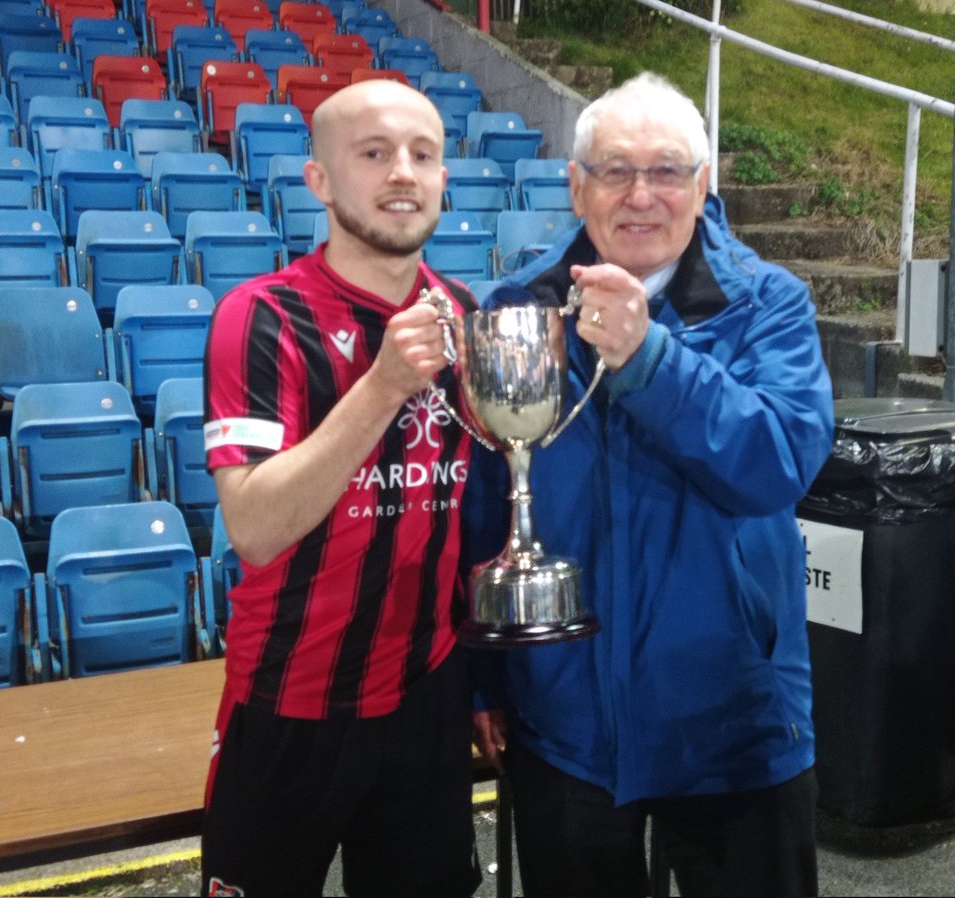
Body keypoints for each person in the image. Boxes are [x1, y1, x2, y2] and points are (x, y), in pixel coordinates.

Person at [466, 72, 834, 898]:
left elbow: (779, 463)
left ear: (704, 186)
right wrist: (486, 678)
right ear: (575, 184)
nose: (642, 195)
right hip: (564, 721)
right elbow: (490, 506)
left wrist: (650, 360)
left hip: (735, 717)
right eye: (614, 170)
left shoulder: (770, 303)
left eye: (667, 171)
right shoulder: (518, 307)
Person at [200, 79, 481, 897]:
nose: (403, 172)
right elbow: (254, 527)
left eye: (423, 155)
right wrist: (383, 384)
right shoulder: (261, 318)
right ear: (318, 179)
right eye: (373, 153)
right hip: (292, 700)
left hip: (427, 693)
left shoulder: (464, 313)